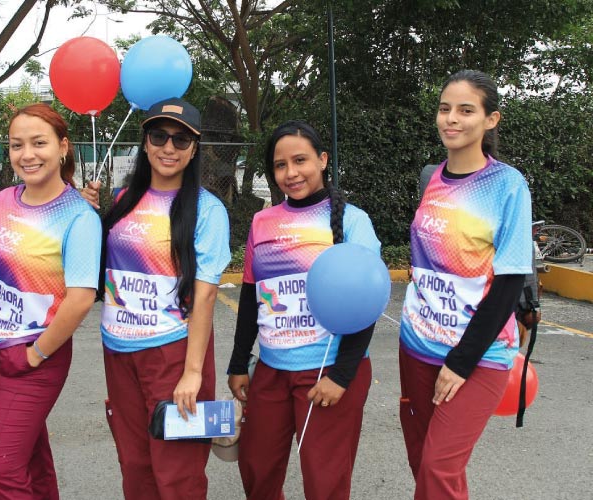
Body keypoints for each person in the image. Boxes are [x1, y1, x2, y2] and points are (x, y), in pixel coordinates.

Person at [81, 97, 231, 499]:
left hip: (173, 352)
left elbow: (205, 295)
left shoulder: (207, 210)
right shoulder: (121, 200)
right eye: (159, 135)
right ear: (145, 143)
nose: (169, 147)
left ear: (194, 149)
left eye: (181, 140)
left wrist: (193, 373)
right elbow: (95, 271)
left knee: (177, 472)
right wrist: (83, 216)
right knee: (135, 466)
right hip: (119, 350)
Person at [226, 120, 381, 500]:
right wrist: (237, 363)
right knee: (257, 467)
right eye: (280, 165)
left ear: (323, 160)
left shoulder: (352, 222)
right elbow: (250, 297)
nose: (291, 173)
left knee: (324, 480)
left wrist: (342, 376)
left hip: (327, 371)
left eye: (300, 161)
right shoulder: (263, 222)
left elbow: (367, 306)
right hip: (272, 369)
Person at [398, 69, 533, 499]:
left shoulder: (507, 185)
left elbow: (509, 284)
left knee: (439, 467)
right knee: (424, 463)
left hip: (478, 354)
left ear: (491, 119)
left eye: (465, 110)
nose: (450, 119)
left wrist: (461, 361)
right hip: (417, 345)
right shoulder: (431, 177)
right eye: (444, 109)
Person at [0, 103, 101, 500]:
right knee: (30, 457)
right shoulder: (4, 200)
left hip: (36, 354)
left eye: (39, 143)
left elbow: (80, 299)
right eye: (16, 145)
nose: (27, 154)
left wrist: (35, 355)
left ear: (62, 147)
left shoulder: (79, 217)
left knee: (1, 466)